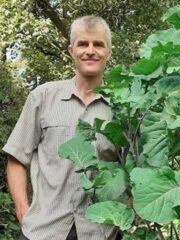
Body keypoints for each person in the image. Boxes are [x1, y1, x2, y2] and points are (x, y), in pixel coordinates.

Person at [3, 16, 119, 240]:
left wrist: (122, 217)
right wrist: (22, 210)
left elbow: (131, 170)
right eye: (83, 44)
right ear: (71, 51)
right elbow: (17, 158)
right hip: (43, 230)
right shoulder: (43, 97)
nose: (90, 51)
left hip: (99, 232)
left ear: (109, 53)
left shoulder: (122, 108)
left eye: (98, 44)